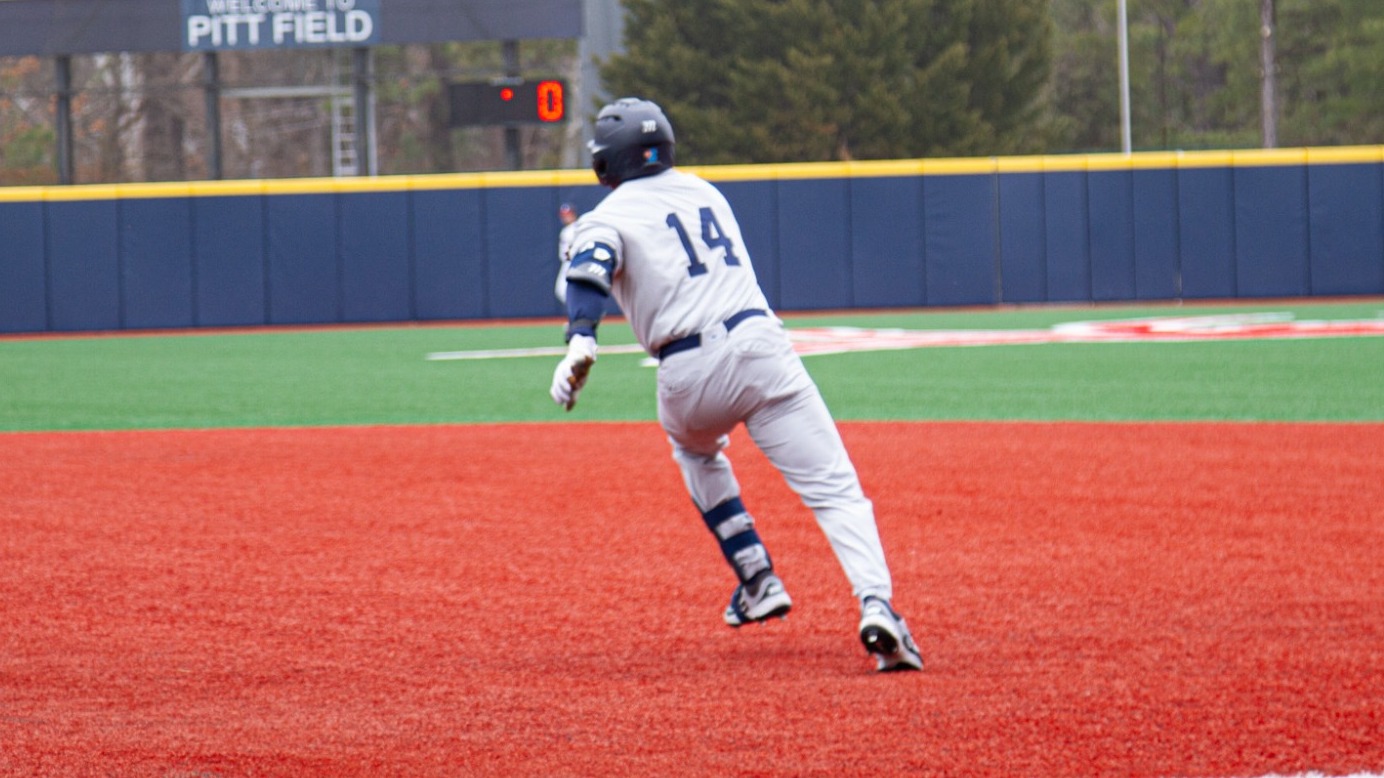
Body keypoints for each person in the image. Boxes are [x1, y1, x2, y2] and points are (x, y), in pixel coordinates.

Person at [548, 98, 922, 672]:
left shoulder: (605, 219)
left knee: (696, 452)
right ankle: (876, 605)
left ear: (604, 166)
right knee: (837, 491)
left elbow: (591, 274)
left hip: (685, 373)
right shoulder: (706, 193)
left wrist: (580, 338)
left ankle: (756, 576)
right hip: (761, 351)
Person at [553, 202, 580, 304]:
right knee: (561, 292)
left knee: (566, 292)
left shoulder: (577, 228)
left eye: (568, 214)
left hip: (574, 262)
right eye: (564, 215)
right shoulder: (566, 230)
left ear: (574, 214)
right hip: (567, 263)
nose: (566, 217)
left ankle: (580, 316)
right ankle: (576, 316)